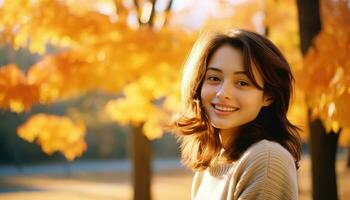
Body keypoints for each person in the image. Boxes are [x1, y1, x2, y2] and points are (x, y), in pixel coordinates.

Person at [171, 29, 301, 200]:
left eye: (242, 82)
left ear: (268, 96)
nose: (223, 93)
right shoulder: (209, 169)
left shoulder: (266, 159)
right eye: (214, 78)